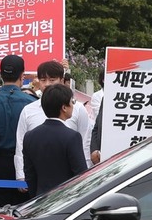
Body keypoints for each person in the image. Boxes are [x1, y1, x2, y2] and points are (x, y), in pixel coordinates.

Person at [14, 60, 93, 192]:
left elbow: (85, 143)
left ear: (62, 80)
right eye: (43, 80)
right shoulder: (28, 110)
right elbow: (21, 143)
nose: (47, 84)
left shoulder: (77, 109)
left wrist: (84, 177)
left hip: (70, 181)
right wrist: (21, 175)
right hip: (38, 178)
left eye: (52, 79)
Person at [0, 54, 35, 208]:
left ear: (1, 74)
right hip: (25, 166)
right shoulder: (32, 103)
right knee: (25, 215)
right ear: (22, 75)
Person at [22, 84, 87, 196]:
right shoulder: (72, 137)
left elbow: (30, 175)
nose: (73, 105)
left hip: (39, 199)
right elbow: (81, 175)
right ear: (64, 107)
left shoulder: (30, 136)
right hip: (66, 200)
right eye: (72, 102)